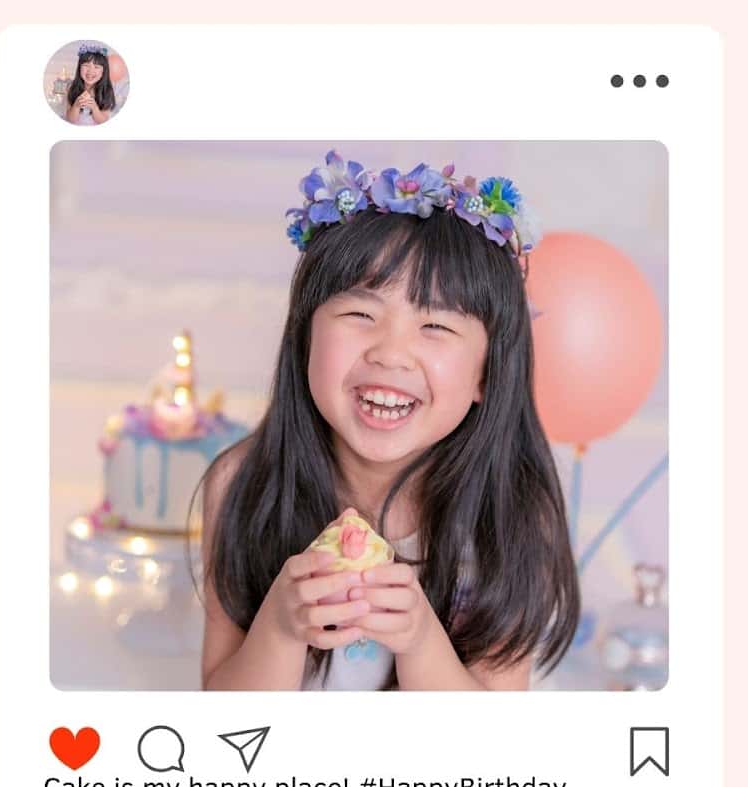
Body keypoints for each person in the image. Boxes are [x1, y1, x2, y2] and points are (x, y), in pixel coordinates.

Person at [196, 149, 579, 690]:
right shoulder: (241, 484)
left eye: (437, 327)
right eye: (360, 314)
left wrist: (420, 640)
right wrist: (281, 627)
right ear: (304, 335)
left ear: (486, 375)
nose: (391, 354)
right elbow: (221, 712)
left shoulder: (511, 507)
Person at [63, 45, 116, 125]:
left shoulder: (106, 90)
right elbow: (70, 120)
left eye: (96, 67)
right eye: (86, 65)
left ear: (103, 72)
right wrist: (76, 106)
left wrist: (94, 108)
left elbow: (103, 121)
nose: (91, 70)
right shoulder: (72, 88)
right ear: (79, 68)